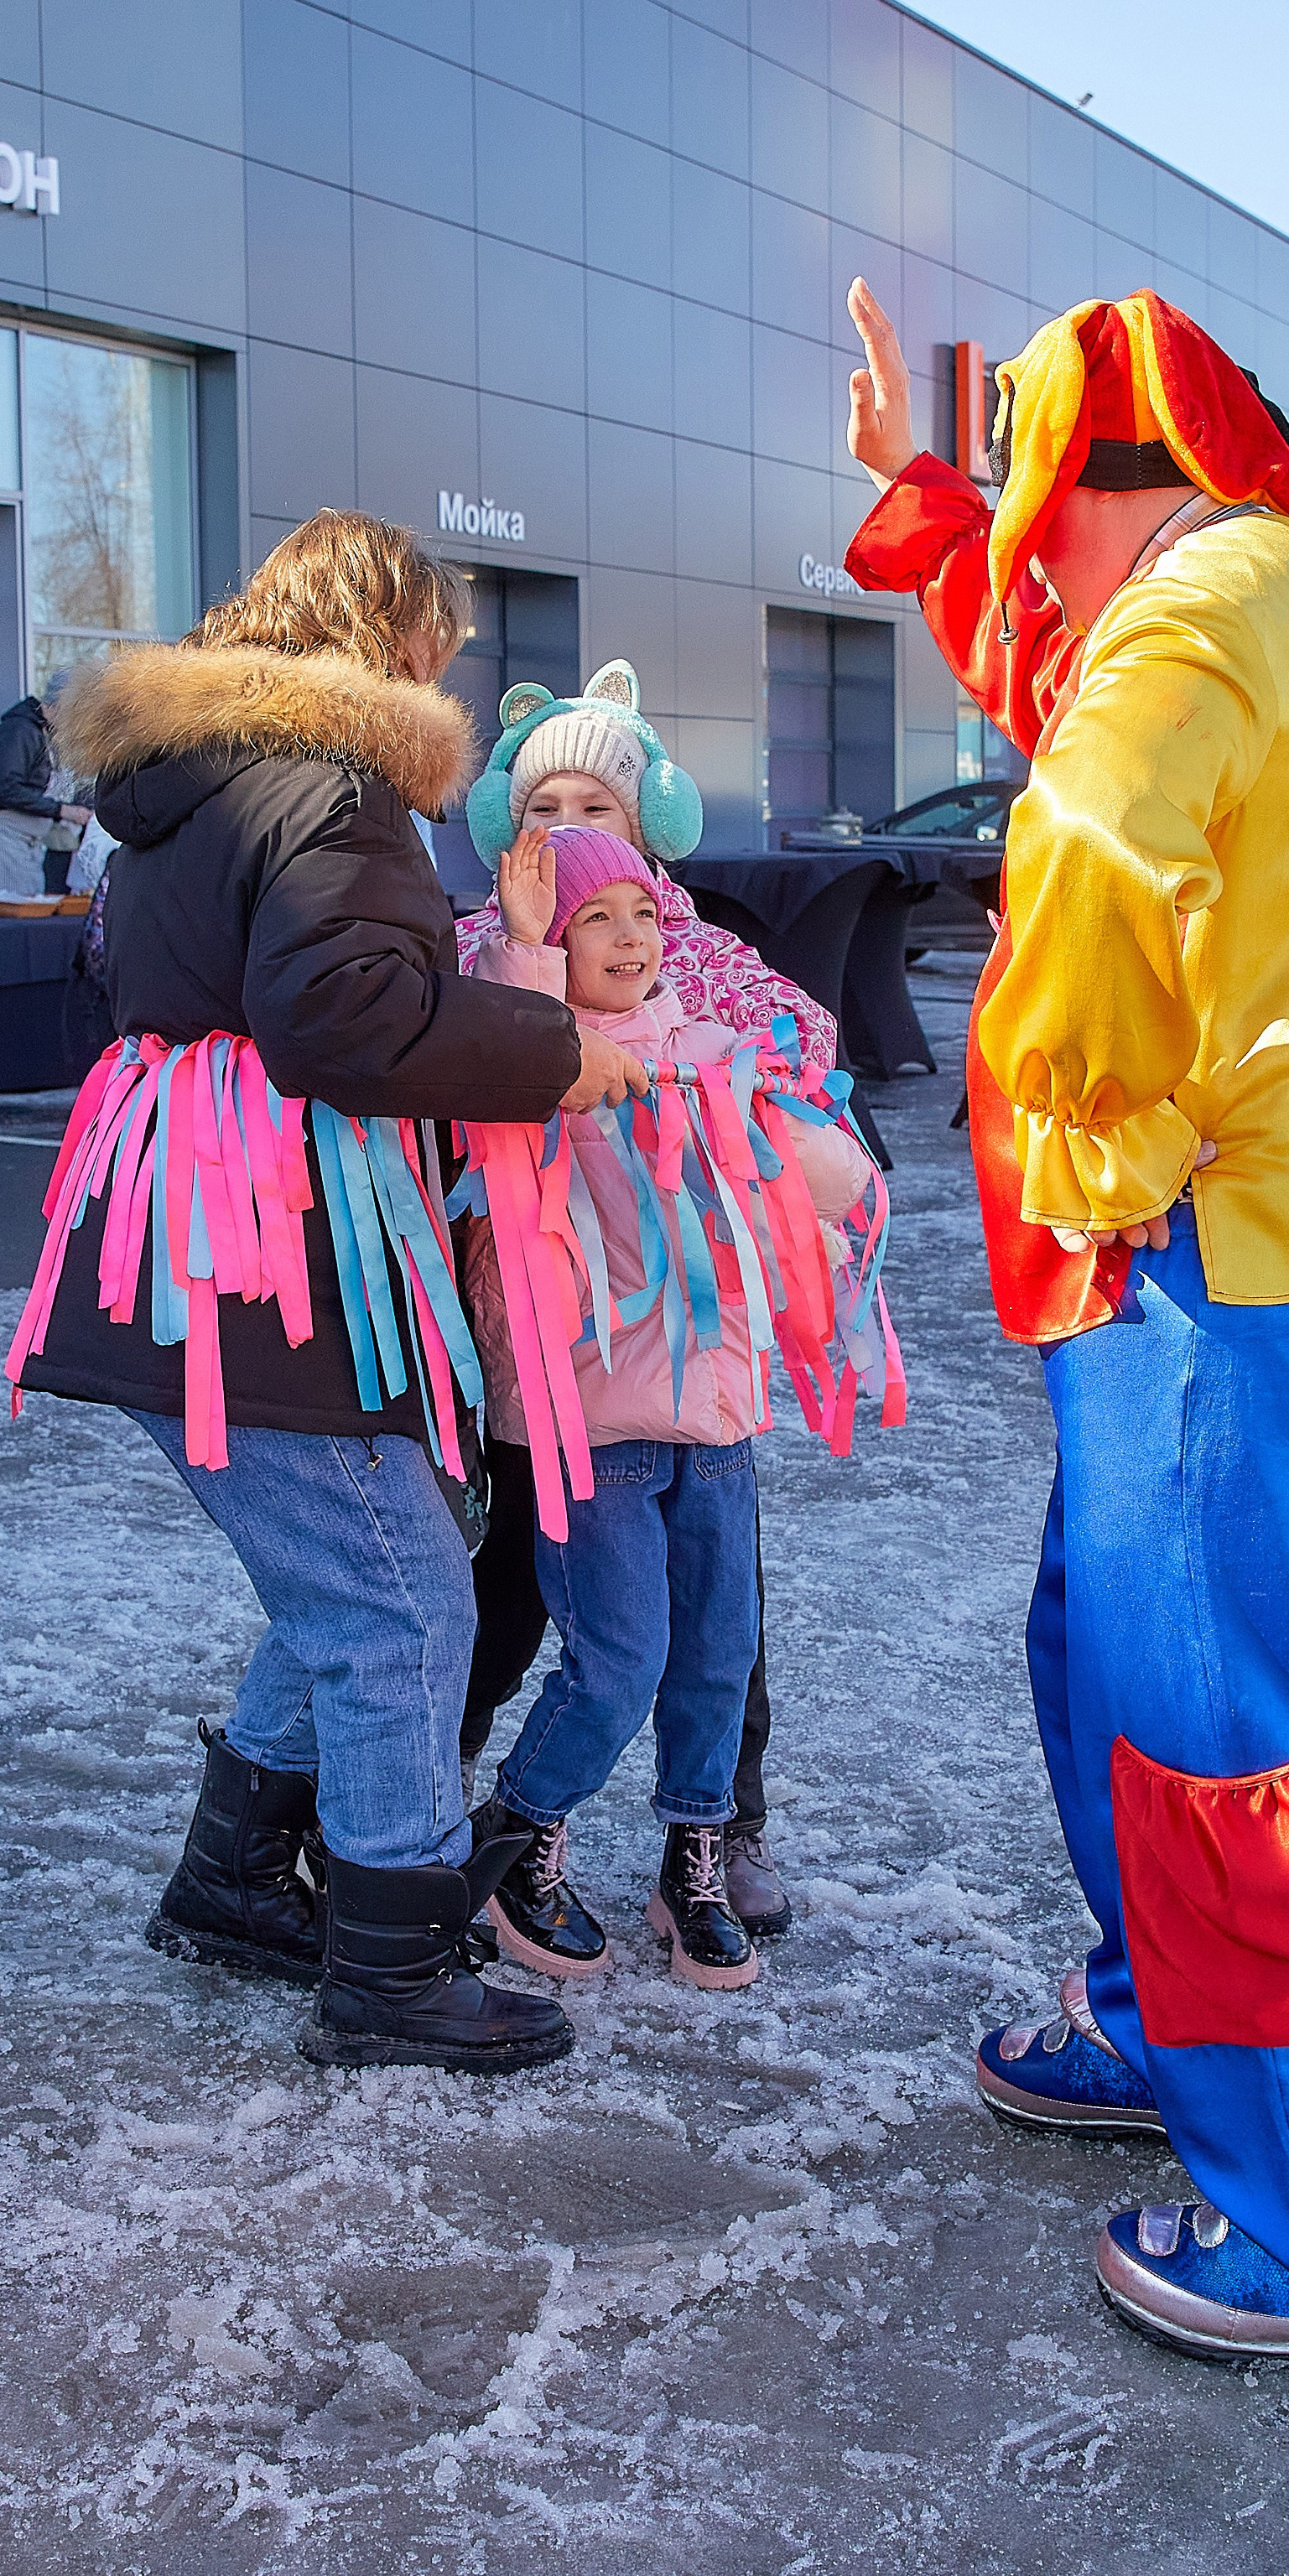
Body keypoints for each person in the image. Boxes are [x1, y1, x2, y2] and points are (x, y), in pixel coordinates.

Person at [842, 277, 1289, 2372]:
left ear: (1093, 483)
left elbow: (1093, 836)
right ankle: (1169, 2025)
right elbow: (1068, 700)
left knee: (1215, 1728)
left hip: (1215, 1253)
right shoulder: (1267, 581)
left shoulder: (1197, 611)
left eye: (1028, 491)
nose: (1021, 555)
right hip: (1276, 1238)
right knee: (1118, 1657)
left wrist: (1087, 1157)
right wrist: (928, 502)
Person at [7, 511, 652, 2075]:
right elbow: (337, 1014)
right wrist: (560, 1056)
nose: (453, 664)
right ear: (390, 636)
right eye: (441, 638)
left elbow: (201, 994)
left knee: (352, 1568)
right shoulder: (331, 781)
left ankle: (233, 1882)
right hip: (267, 1258)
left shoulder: (193, 786)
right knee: (396, 1604)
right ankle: (390, 1970)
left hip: (190, 1235)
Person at [455, 662, 839, 1943]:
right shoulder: (497, 958)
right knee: (527, 1603)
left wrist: (772, 1108)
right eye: (545, 799)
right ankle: (465, 1810)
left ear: (649, 822)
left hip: (703, 1374)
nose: (570, 823)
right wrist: (527, 955)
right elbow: (477, 1062)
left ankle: (718, 1835)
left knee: (719, 1632)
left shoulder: (705, 963)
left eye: (599, 805)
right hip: (567, 1375)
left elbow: (803, 1078)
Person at [0, 683, 90, 896]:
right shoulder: (20, 731)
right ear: (58, 706)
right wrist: (61, 810)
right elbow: (7, 788)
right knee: (11, 909)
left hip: (25, 841)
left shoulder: (38, 732)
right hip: (4, 838)